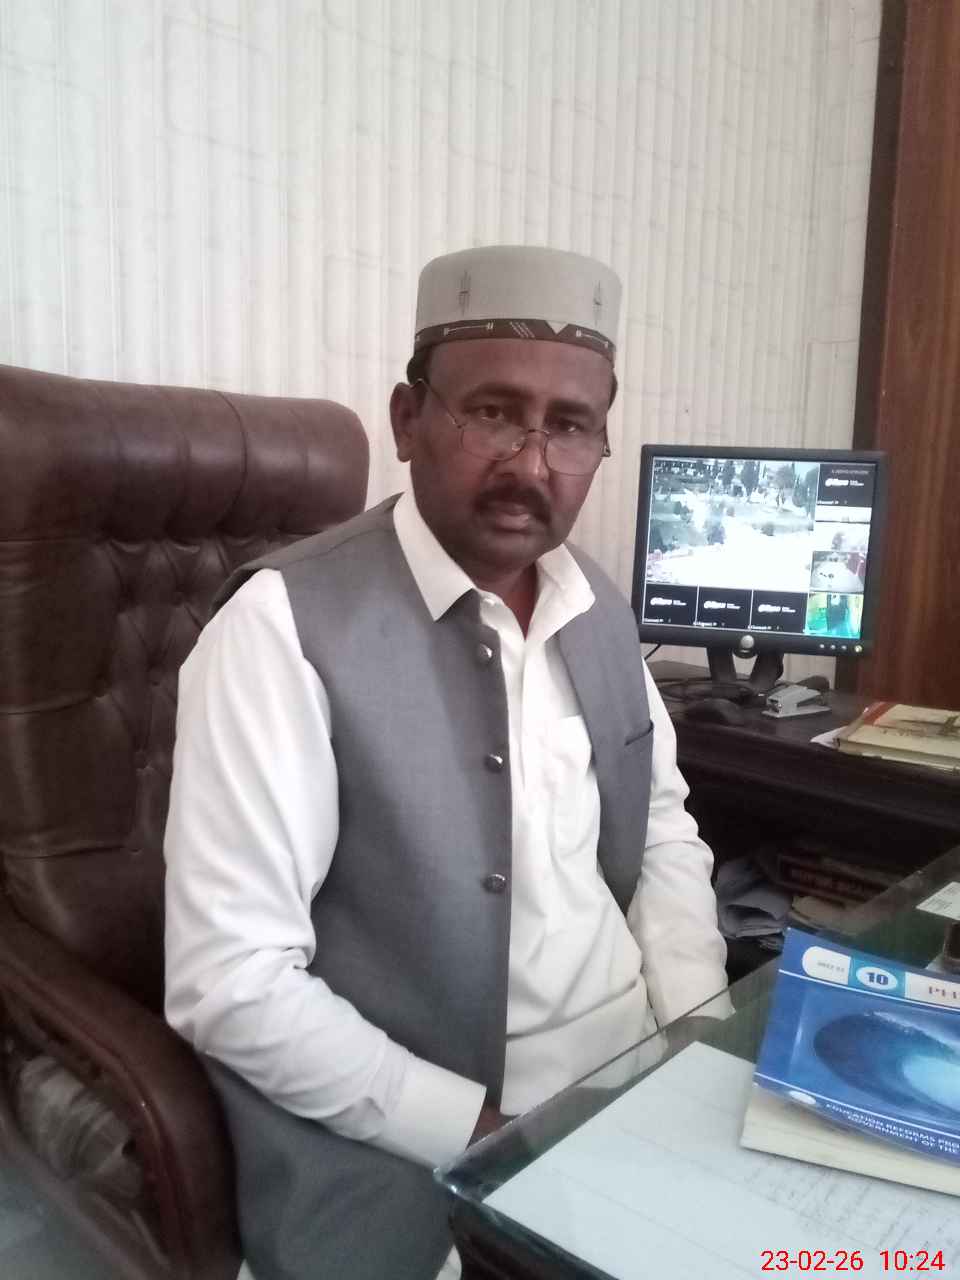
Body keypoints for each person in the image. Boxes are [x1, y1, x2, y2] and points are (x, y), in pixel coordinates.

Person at [163, 245, 731, 1280]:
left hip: (639, 1083)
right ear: (406, 419)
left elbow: (660, 829)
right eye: (492, 413)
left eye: (570, 425)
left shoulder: (598, 606)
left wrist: (698, 1034)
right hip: (421, 1137)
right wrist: (483, 1133)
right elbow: (229, 980)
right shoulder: (281, 629)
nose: (531, 463)